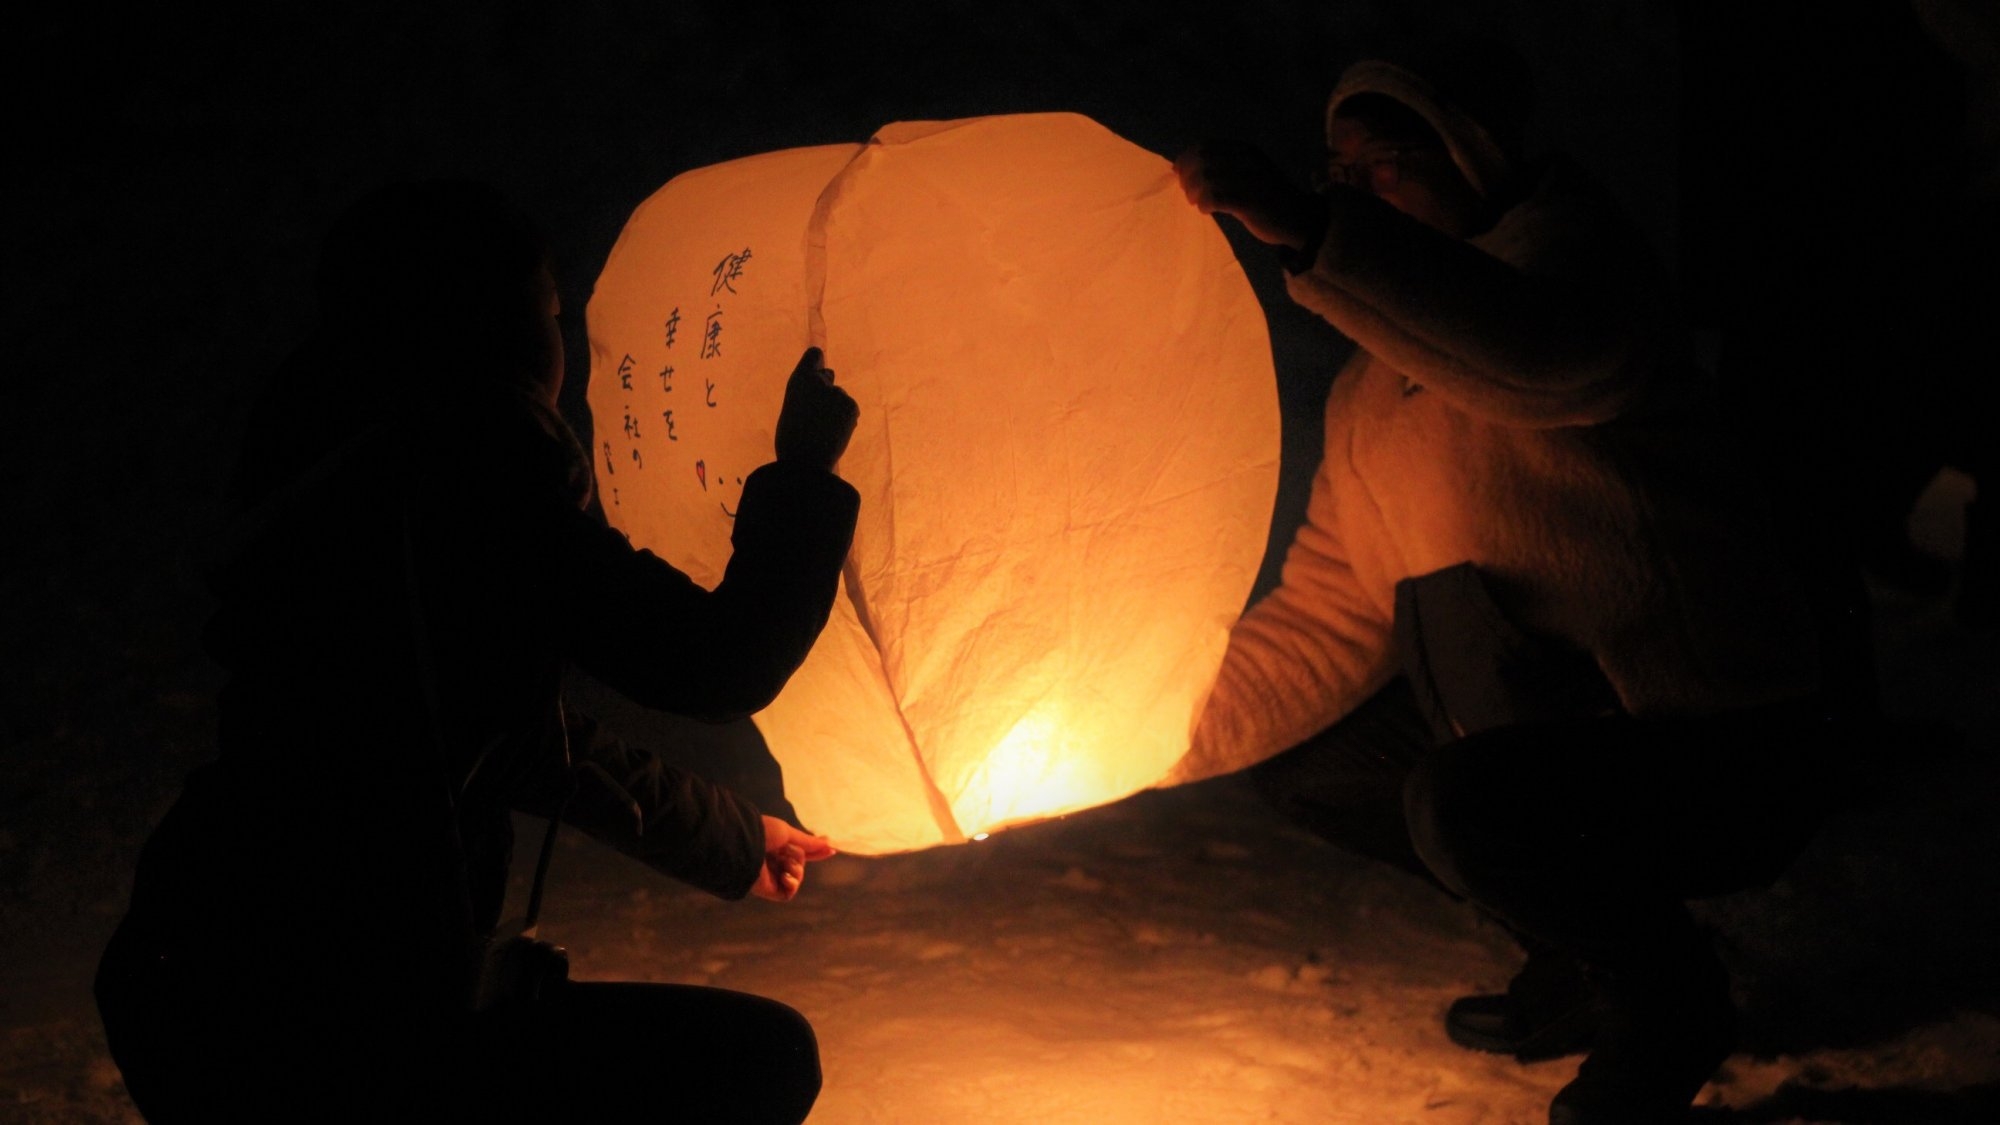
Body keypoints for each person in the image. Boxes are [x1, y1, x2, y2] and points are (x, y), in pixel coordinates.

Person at [1168, 38, 1846, 1125]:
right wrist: (1131, 732)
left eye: (1383, 163)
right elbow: (1329, 614)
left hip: (1721, 745)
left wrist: (1311, 230)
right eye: (1338, 174)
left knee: (1467, 799)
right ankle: (1581, 949)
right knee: (1317, 764)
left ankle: (1666, 1001)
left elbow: (1538, 363)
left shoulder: (1585, 281)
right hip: (1548, 748)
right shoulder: (1367, 394)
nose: (1355, 191)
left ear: (1469, 155)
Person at [93, 180, 860, 1123]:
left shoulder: (339, 474)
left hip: (194, 978)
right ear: (480, 332)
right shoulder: (466, 487)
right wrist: (804, 474)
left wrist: (741, 839)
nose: (561, 347)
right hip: (324, 1019)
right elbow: (713, 661)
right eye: (546, 312)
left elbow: (516, 736)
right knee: (760, 1061)